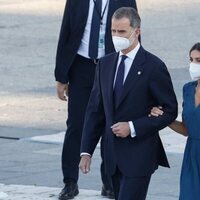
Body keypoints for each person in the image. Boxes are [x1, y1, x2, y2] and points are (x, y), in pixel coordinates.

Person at [79, 7, 178, 200]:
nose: (116, 36)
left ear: (137, 31)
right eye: (113, 31)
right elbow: (95, 110)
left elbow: (170, 110)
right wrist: (86, 151)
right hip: (112, 156)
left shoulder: (153, 66)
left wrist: (133, 127)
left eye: (122, 32)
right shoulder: (105, 64)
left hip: (139, 155)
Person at [55, 0, 138, 199]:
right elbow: (66, 30)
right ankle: (70, 181)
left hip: (112, 64)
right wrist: (61, 75)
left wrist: (136, 71)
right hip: (82, 66)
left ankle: (108, 181)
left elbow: (134, 30)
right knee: (76, 124)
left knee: (110, 124)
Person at [150, 42, 200, 200]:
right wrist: (164, 118)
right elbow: (186, 129)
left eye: (198, 60)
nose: (193, 64)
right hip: (192, 155)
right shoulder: (188, 89)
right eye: (191, 60)